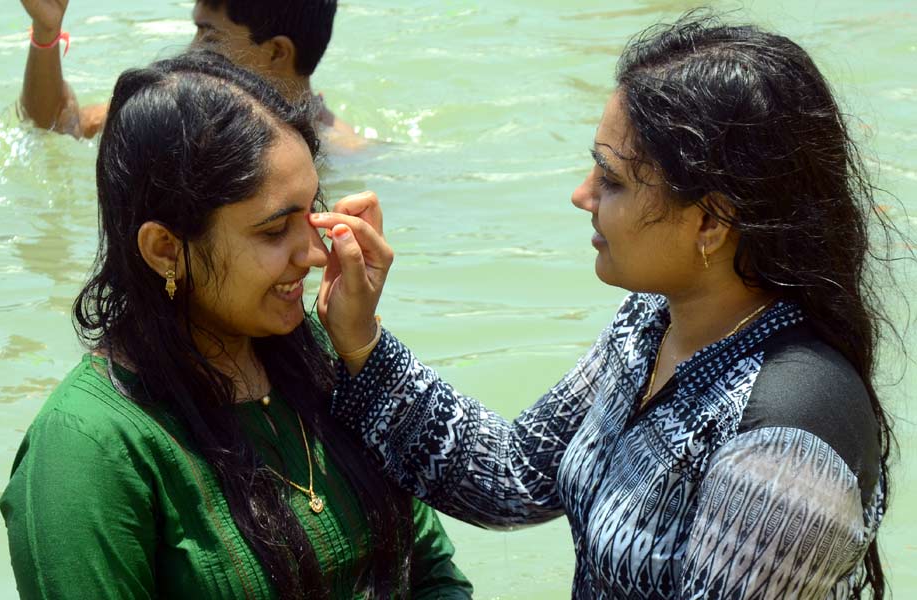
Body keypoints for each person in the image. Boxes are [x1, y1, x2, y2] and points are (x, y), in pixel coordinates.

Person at [310, 12, 898, 599]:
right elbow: (516, 474)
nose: (581, 194)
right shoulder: (653, 321)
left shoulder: (785, 448)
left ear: (711, 221)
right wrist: (361, 338)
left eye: (612, 180)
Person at [0, 50, 472, 599]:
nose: (316, 255)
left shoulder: (325, 359)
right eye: (274, 232)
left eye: (311, 212)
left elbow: (434, 576)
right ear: (165, 249)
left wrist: (365, 353)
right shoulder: (87, 450)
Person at [18, 0, 361, 149]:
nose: (190, 52)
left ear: (276, 52)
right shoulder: (177, 110)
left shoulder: (339, 155)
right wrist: (46, 34)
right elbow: (57, 125)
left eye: (209, 35)